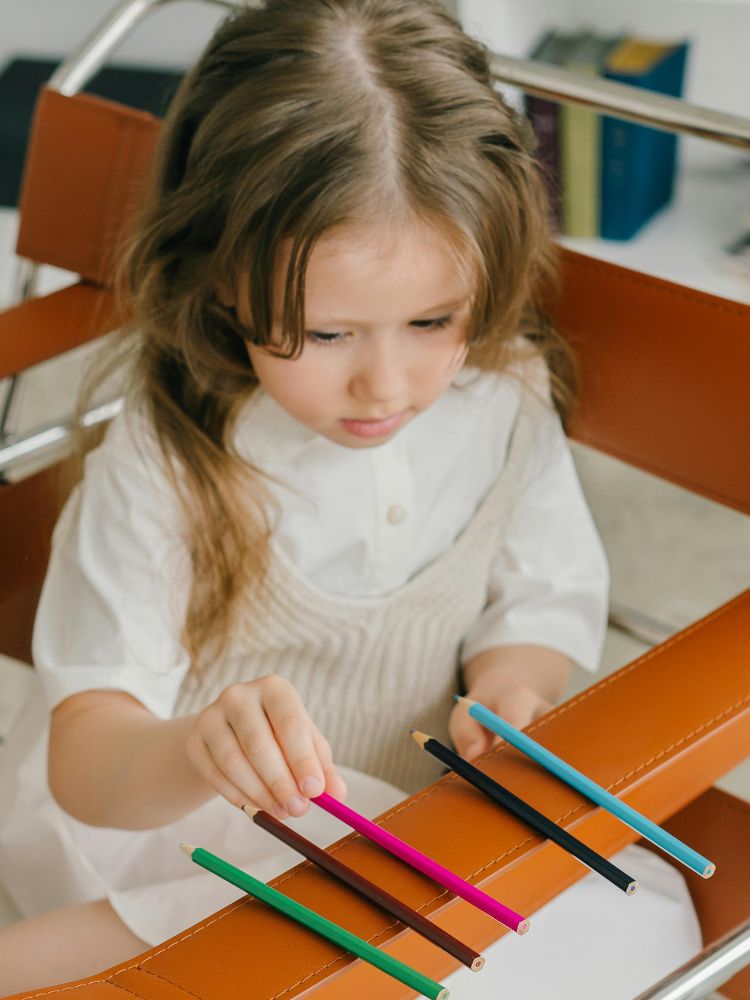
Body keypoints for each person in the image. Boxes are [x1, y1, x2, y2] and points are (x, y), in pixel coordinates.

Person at [0, 1, 700, 995]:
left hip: (414, 814)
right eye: (327, 335)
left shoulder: (503, 399)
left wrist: (510, 687)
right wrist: (199, 750)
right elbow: (89, 757)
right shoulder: (170, 458)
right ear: (222, 281)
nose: (387, 384)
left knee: (642, 922)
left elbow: (541, 598)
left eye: (432, 318)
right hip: (188, 823)